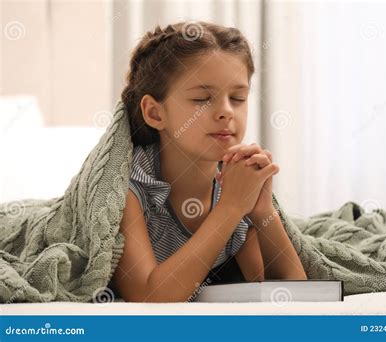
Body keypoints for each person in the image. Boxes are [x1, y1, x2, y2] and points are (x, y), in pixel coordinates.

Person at [112, 21, 306, 303]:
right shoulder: (128, 189)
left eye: (238, 97)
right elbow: (148, 296)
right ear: (154, 113)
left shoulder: (234, 182)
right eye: (203, 99)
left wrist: (262, 212)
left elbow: (290, 295)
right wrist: (230, 207)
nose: (226, 111)